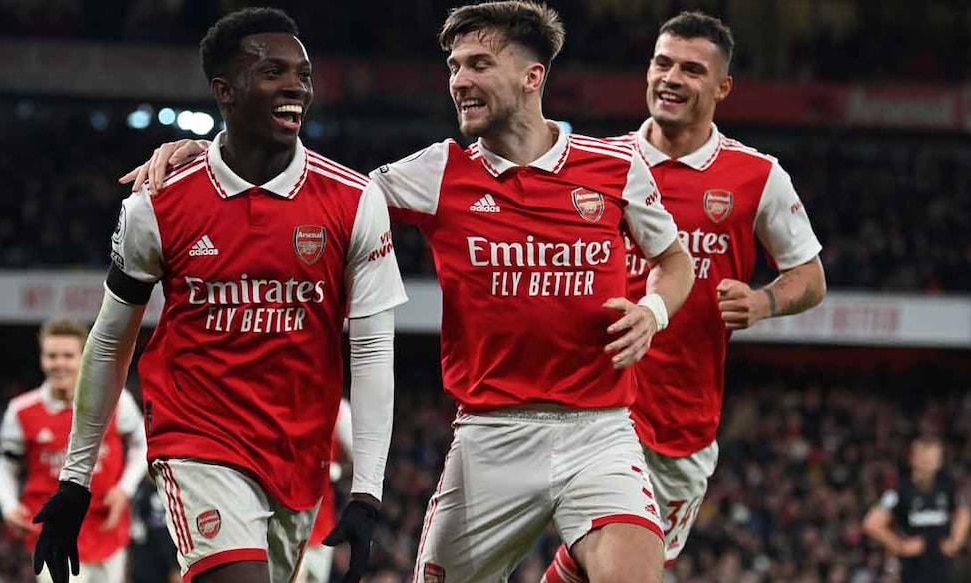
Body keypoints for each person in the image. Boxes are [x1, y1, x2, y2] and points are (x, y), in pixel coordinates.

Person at [125, 3, 693, 581]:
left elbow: (675, 263)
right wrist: (216, 155)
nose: (459, 81)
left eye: (478, 64)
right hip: (490, 437)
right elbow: (324, 194)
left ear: (532, 76)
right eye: (453, 67)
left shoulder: (616, 167)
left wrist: (653, 310)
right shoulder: (438, 172)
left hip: (599, 431)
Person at [30, 8, 408, 583]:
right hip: (197, 438)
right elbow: (110, 339)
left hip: (299, 453)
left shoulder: (354, 201)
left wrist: (367, 492)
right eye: (273, 72)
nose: (296, 87)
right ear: (225, 91)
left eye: (303, 74)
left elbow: (374, 350)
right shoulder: (158, 202)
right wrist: (76, 479)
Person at [542, 11, 827, 581]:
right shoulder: (599, 164)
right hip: (589, 403)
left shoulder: (757, 176)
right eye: (662, 63)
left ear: (723, 87)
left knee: (608, 568)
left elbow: (810, 277)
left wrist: (763, 302)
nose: (671, 78)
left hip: (681, 423)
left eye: (692, 70)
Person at [0, 319, 148, 583]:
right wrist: (9, 506)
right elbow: (5, 468)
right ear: (42, 359)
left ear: (83, 357)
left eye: (67, 356)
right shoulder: (21, 411)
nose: (59, 363)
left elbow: (141, 444)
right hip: (52, 534)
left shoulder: (115, 400)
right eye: (52, 356)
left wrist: (125, 489)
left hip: (107, 528)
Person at [863, 435, 971, 583]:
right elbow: (872, 523)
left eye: (933, 457)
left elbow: (963, 513)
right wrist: (899, 546)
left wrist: (955, 542)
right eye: (924, 457)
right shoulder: (900, 490)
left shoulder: (947, 486)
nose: (928, 462)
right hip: (913, 569)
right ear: (912, 458)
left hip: (943, 566)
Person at [296, 399, 354, 583]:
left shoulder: (340, 410)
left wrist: (337, 469)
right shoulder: (286, 397)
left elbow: (360, 462)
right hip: (285, 518)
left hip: (321, 526)